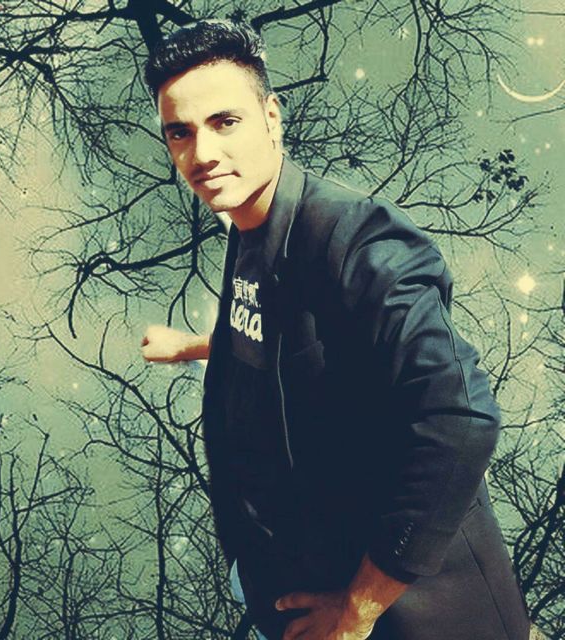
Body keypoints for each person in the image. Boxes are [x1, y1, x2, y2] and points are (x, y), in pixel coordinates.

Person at [141, 19, 531, 640]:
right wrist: (192, 346)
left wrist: (358, 610)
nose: (203, 153)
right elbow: (295, 337)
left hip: (408, 615)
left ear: (271, 117)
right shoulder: (249, 225)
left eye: (225, 122)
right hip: (299, 576)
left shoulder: (359, 238)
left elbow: (460, 418)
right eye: (180, 132)